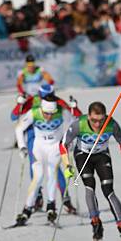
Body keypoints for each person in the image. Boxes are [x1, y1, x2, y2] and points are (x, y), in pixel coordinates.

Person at [61, 102, 121, 241]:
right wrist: (67, 165)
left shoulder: (111, 124)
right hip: (83, 156)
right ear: (88, 116)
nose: (97, 124)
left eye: (101, 120)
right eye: (94, 120)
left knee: (108, 190)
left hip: (102, 156)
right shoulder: (79, 124)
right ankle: (96, 223)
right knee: (90, 187)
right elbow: (63, 143)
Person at [12, 83, 81, 214]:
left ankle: (65, 199)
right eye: (44, 96)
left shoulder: (57, 102)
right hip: (34, 137)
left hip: (53, 138)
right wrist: (19, 104)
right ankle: (37, 199)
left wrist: (74, 107)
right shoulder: (32, 100)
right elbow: (14, 117)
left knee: (54, 170)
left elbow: (75, 116)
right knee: (36, 170)